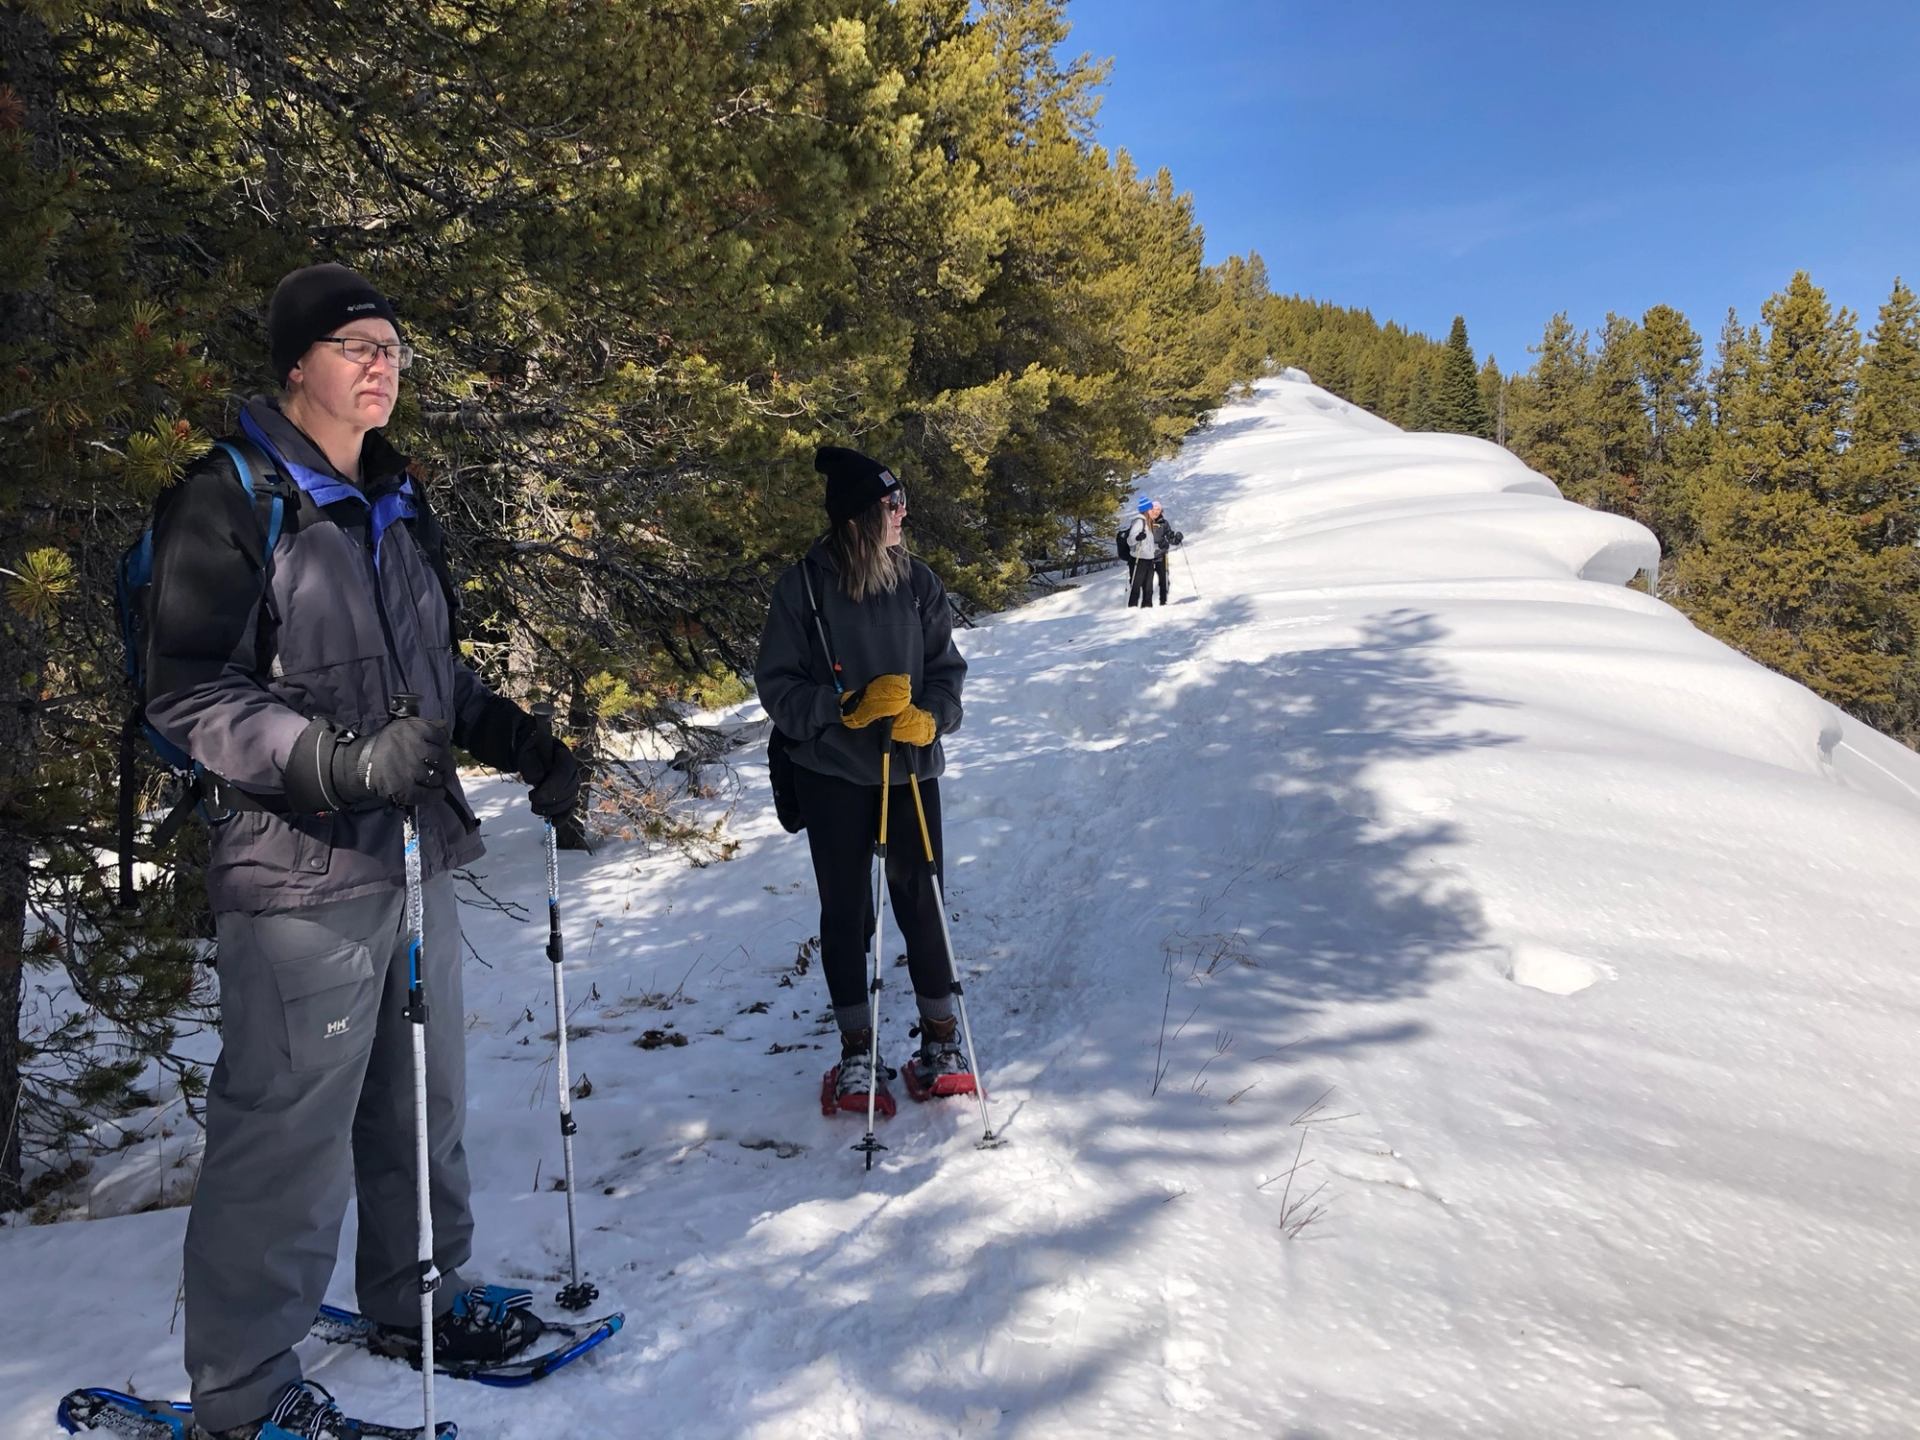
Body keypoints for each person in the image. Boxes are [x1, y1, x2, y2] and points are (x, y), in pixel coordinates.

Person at [143, 263, 582, 1439]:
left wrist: (519, 738)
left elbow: (427, 680)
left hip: (410, 851)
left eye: (391, 345)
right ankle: (240, 1393)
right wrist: (334, 765)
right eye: (355, 346)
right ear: (297, 365)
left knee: (418, 1105)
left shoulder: (393, 498)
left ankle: (415, 1296)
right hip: (295, 873)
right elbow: (189, 698)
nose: (381, 363)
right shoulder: (233, 500)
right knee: (281, 1135)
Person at [755, 446, 970, 1117]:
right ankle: (857, 1051)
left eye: (902, 499)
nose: (903, 512)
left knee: (923, 904)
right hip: (833, 775)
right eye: (890, 504)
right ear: (856, 519)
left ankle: (941, 1042)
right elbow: (778, 687)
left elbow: (947, 672)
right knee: (848, 912)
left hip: (908, 772)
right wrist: (843, 708)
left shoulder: (918, 582)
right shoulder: (804, 588)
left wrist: (930, 719)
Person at [1124, 497, 1166, 608]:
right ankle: (1131, 610)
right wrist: (1137, 537)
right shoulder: (1139, 521)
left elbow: (1148, 544)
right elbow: (1130, 540)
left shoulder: (1148, 523)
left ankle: (1147, 611)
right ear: (1146, 510)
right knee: (1136, 588)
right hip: (1139, 559)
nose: (1154, 512)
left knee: (1148, 589)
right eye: (1151, 509)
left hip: (1148, 559)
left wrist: (1157, 548)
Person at [1150, 505, 1185, 605]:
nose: (1156, 512)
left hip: (1161, 554)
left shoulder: (1164, 523)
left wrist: (1177, 538)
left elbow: (1170, 538)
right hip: (1146, 555)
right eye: (1153, 510)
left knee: (1163, 577)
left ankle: (1163, 601)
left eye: (1158, 510)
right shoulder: (1145, 522)